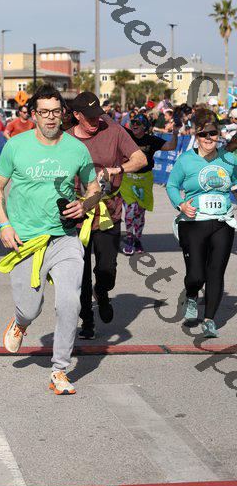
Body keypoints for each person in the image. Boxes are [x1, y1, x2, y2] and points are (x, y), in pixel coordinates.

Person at [0, 84, 100, 395]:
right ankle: (20, 323)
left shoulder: (77, 149)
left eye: (55, 111)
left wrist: (85, 205)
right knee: (29, 307)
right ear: (33, 115)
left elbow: (94, 188)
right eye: (44, 112)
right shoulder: (16, 146)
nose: (50, 118)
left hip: (65, 237)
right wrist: (4, 225)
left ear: (63, 114)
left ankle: (59, 370)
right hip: (26, 240)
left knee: (69, 301)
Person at [69, 91, 147, 340]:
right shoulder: (66, 139)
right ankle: (87, 320)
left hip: (108, 212)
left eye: (98, 115)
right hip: (77, 214)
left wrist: (118, 169)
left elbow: (140, 158)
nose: (96, 120)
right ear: (77, 115)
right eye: (90, 117)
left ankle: (101, 292)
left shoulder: (113, 131)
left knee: (106, 269)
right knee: (79, 272)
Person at [166, 108, 237, 338]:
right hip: (193, 222)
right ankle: (191, 295)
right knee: (196, 275)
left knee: (216, 271)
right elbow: (172, 185)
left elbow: (235, 183)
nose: (208, 138)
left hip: (222, 222)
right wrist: (181, 205)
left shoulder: (229, 159)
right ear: (196, 136)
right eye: (203, 134)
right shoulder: (186, 160)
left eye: (212, 133)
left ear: (219, 134)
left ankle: (209, 320)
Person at [120, 113, 179, 255]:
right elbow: (112, 125)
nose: (134, 125)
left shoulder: (151, 140)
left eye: (138, 123)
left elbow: (171, 146)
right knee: (130, 210)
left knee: (140, 212)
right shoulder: (126, 135)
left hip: (145, 180)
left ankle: (137, 239)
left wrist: (175, 133)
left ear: (145, 126)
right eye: (133, 122)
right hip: (128, 179)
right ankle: (129, 238)